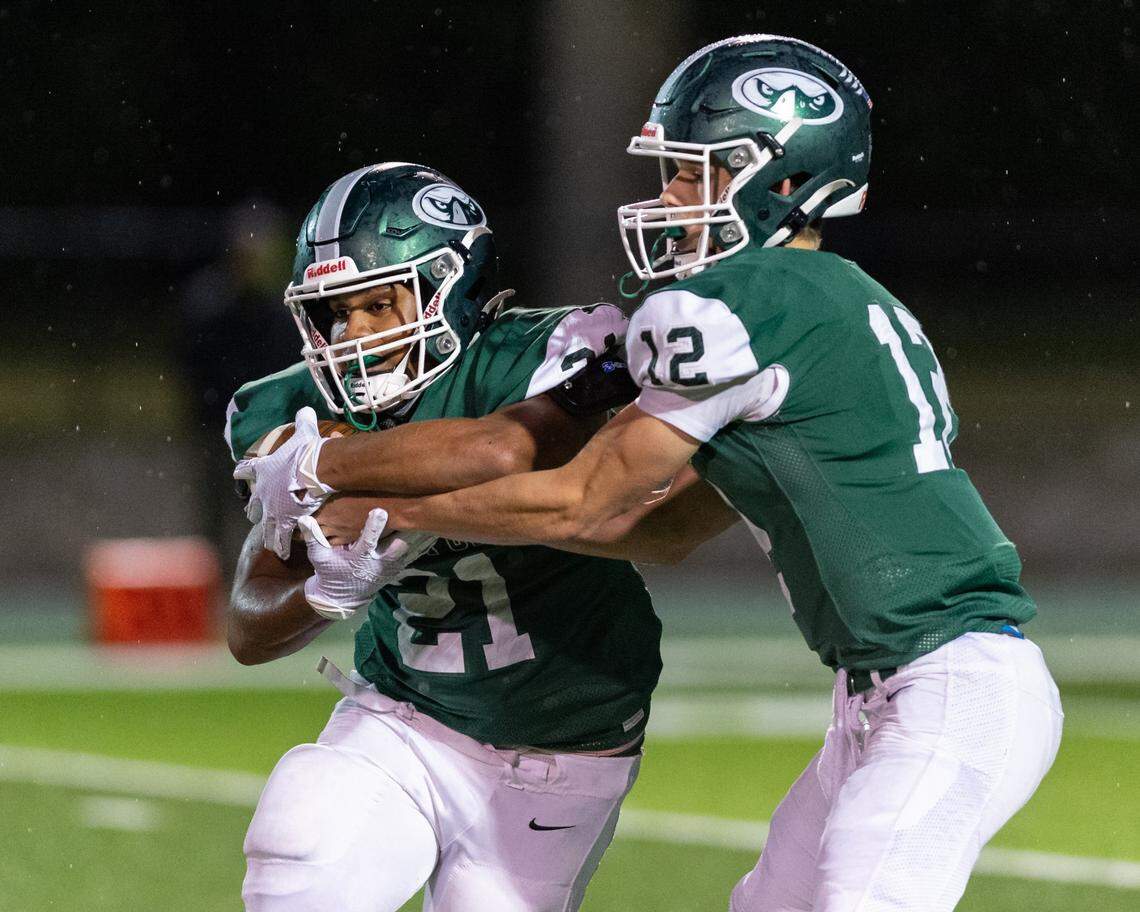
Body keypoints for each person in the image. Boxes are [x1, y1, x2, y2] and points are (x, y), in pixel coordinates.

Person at [297, 37, 1064, 912]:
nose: (666, 199)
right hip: (886, 694)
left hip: (949, 686)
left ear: (784, 179)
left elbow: (583, 501)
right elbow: (657, 529)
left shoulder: (743, 302)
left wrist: (391, 511)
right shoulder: (836, 293)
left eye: (694, 175)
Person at [226, 162, 737, 912]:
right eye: (336, 312)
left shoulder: (553, 351)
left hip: (562, 742)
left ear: (450, 288)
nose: (353, 334)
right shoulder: (288, 406)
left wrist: (326, 468)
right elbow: (247, 626)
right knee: (298, 846)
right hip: (403, 715)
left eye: (379, 304)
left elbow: (508, 450)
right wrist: (324, 592)